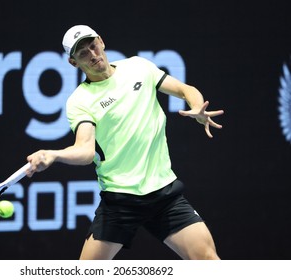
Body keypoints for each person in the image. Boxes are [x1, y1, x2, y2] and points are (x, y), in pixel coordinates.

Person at [26, 25, 223, 260]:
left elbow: (184, 89)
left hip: (163, 194)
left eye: (93, 46)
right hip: (120, 201)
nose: (93, 54)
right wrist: (54, 155)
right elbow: (85, 150)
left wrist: (196, 108)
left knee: (209, 261)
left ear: (101, 41)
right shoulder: (79, 101)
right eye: (83, 53)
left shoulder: (138, 67)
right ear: (73, 63)